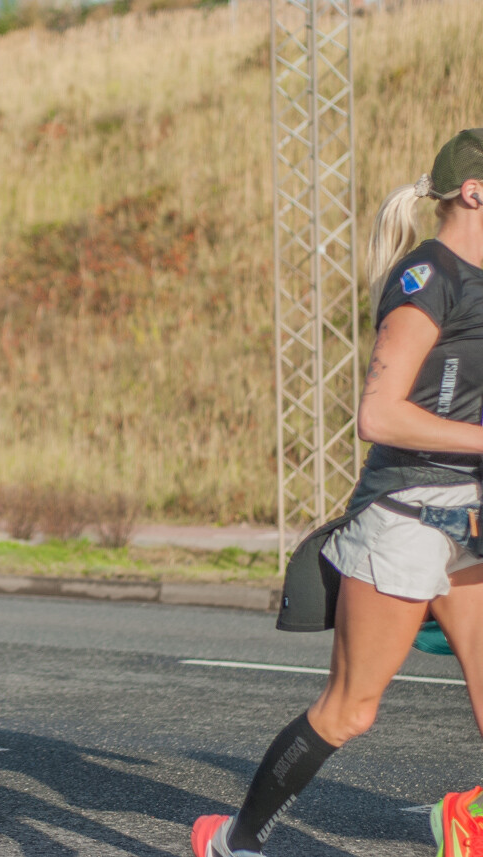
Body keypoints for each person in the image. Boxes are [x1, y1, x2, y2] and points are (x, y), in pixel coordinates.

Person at [192, 128, 483, 856]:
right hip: (407, 520)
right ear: (475, 192)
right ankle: (236, 838)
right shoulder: (428, 276)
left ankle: (465, 822)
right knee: (350, 710)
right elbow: (379, 414)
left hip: (471, 522)